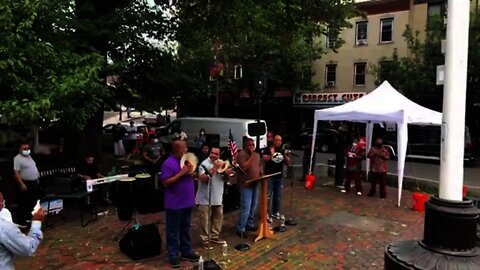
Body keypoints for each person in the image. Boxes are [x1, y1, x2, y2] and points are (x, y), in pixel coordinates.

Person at [161, 139, 200, 268]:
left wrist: (191, 173)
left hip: (187, 201)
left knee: (186, 228)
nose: (187, 149)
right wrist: (182, 173)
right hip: (175, 203)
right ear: (177, 149)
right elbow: (166, 182)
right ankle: (173, 255)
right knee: (173, 231)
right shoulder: (168, 163)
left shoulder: (186, 161)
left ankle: (186, 251)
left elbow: (190, 175)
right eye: (185, 147)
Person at [196, 147, 232, 249]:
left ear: (219, 155)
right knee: (205, 220)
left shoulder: (221, 163)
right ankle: (205, 240)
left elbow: (225, 178)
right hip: (204, 197)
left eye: (216, 154)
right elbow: (202, 179)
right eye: (212, 153)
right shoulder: (203, 164)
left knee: (218, 217)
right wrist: (214, 169)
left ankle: (214, 236)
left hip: (217, 195)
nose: (213, 155)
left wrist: (226, 173)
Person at [0, 191, 44, 270]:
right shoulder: (4, 228)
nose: (3, 204)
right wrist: (37, 221)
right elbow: (29, 247)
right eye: (1, 201)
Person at [236, 137, 262, 236]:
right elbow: (244, 167)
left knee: (253, 206)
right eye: (249, 145)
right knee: (246, 207)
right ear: (245, 145)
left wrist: (260, 172)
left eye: (253, 144)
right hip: (246, 185)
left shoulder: (256, 154)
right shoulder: (241, 154)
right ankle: (240, 228)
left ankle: (249, 224)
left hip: (255, 183)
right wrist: (251, 157)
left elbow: (258, 165)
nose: (251, 146)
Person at [262, 135, 290, 220]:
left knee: (277, 195)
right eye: (277, 140)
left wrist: (285, 156)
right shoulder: (268, 148)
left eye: (280, 140)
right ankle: (265, 213)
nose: (278, 142)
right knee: (268, 195)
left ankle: (275, 212)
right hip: (270, 176)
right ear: (273, 140)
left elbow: (288, 162)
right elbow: (264, 158)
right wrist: (272, 155)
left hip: (279, 176)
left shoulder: (282, 150)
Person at [13, 143, 41, 226]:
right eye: (24, 148)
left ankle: (28, 217)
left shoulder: (29, 157)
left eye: (28, 148)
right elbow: (16, 173)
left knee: (31, 201)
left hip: (33, 183)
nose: (27, 150)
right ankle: (21, 221)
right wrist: (21, 184)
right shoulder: (18, 159)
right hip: (25, 183)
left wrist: (37, 178)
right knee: (23, 202)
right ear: (20, 150)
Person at [335, 124, 351, 188]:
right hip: (340, 152)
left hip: (340, 152)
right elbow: (342, 144)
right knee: (340, 168)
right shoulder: (340, 136)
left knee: (339, 167)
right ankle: (339, 182)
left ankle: (338, 181)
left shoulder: (340, 135)